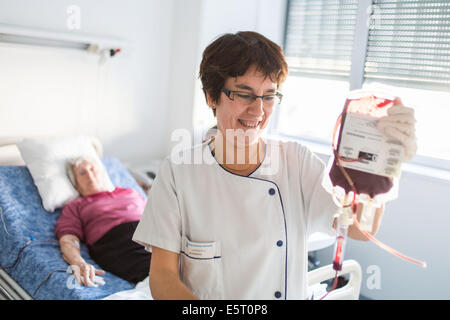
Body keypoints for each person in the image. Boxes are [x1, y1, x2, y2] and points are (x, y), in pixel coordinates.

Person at [132, 31, 417, 299]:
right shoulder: (179, 171)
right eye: (244, 94)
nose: (258, 111)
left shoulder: (296, 162)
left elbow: (358, 229)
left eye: (269, 96)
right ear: (211, 96)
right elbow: (162, 276)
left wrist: (383, 162)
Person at [55, 156, 151, 286]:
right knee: (160, 271)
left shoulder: (130, 192)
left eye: (92, 169)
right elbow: (68, 239)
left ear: (102, 173)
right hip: (117, 243)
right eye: (82, 173)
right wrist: (78, 262)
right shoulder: (76, 205)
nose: (89, 174)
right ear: (75, 183)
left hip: (150, 234)